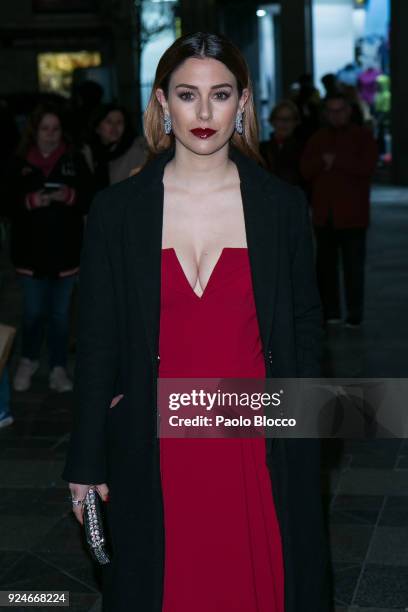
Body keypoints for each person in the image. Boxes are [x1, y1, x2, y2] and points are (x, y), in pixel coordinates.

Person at [63, 32, 331, 612]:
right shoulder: (117, 213)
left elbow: (306, 328)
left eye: (221, 95)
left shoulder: (281, 207)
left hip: (255, 443)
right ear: (163, 103)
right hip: (154, 445)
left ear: (243, 105)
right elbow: (98, 342)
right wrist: (85, 458)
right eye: (188, 95)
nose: (204, 113)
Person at [5, 104, 93, 392]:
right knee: (32, 313)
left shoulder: (74, 160)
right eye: (45, 129)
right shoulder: (17, 163)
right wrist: (30, 201)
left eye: (55, 129)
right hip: (29, 255)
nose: (51, 135)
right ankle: (27, 361)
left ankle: (57, 367)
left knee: (60, 316)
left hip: (66, 253)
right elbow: (6, 202)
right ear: (34, 131)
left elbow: (91, 197)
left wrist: (68, 196)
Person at [301, 93, 378, 327]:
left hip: (353, 216)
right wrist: (324, 162)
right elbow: (305, 170)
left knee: (353, 268)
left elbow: (367, 167)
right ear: (325, 114)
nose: (336, 115)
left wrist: (335, 161)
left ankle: (355, 314)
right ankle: (331, 312)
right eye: (331, 111)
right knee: (326, 269)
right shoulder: (317, 138)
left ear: (349, 111)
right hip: (325, 216)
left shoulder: (362, 137)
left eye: (340, 110)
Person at [82, 103, 148, 190]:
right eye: (109, 122)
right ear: (97, 127)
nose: (114, 127)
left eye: (119, 122)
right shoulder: (87, 152)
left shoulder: (136, 151)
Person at [259, 100, 304, 187]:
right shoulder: (261, 149)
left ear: (295, 122)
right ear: (273, 121)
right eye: (280, 119)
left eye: (289, 119)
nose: (284, 123)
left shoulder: (303, 149)